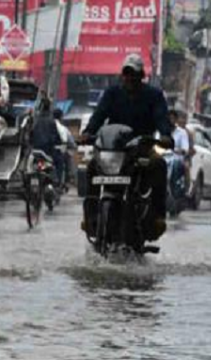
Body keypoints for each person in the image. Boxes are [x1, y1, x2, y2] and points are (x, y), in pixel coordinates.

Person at [81, 53, 173, 239]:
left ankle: (157, 218)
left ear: (141, 75)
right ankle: (89, 218)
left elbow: (162, 118)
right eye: (127, 73)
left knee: (159, 165)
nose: (130, 78)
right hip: (115, 152)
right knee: (91, 166)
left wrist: (165, 136)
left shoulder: (153, 95)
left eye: (134, 74)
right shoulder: (112, 93)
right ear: (122, 75)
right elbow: (99, 115)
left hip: (142, 151)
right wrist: (87, 133)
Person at [53, 108, 76, 188]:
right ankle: (66, 181)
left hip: (44, 151)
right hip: (58, 152)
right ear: (61, 117)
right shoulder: (63, 128)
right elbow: (71, 142)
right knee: (67, 157)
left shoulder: (45, 124)